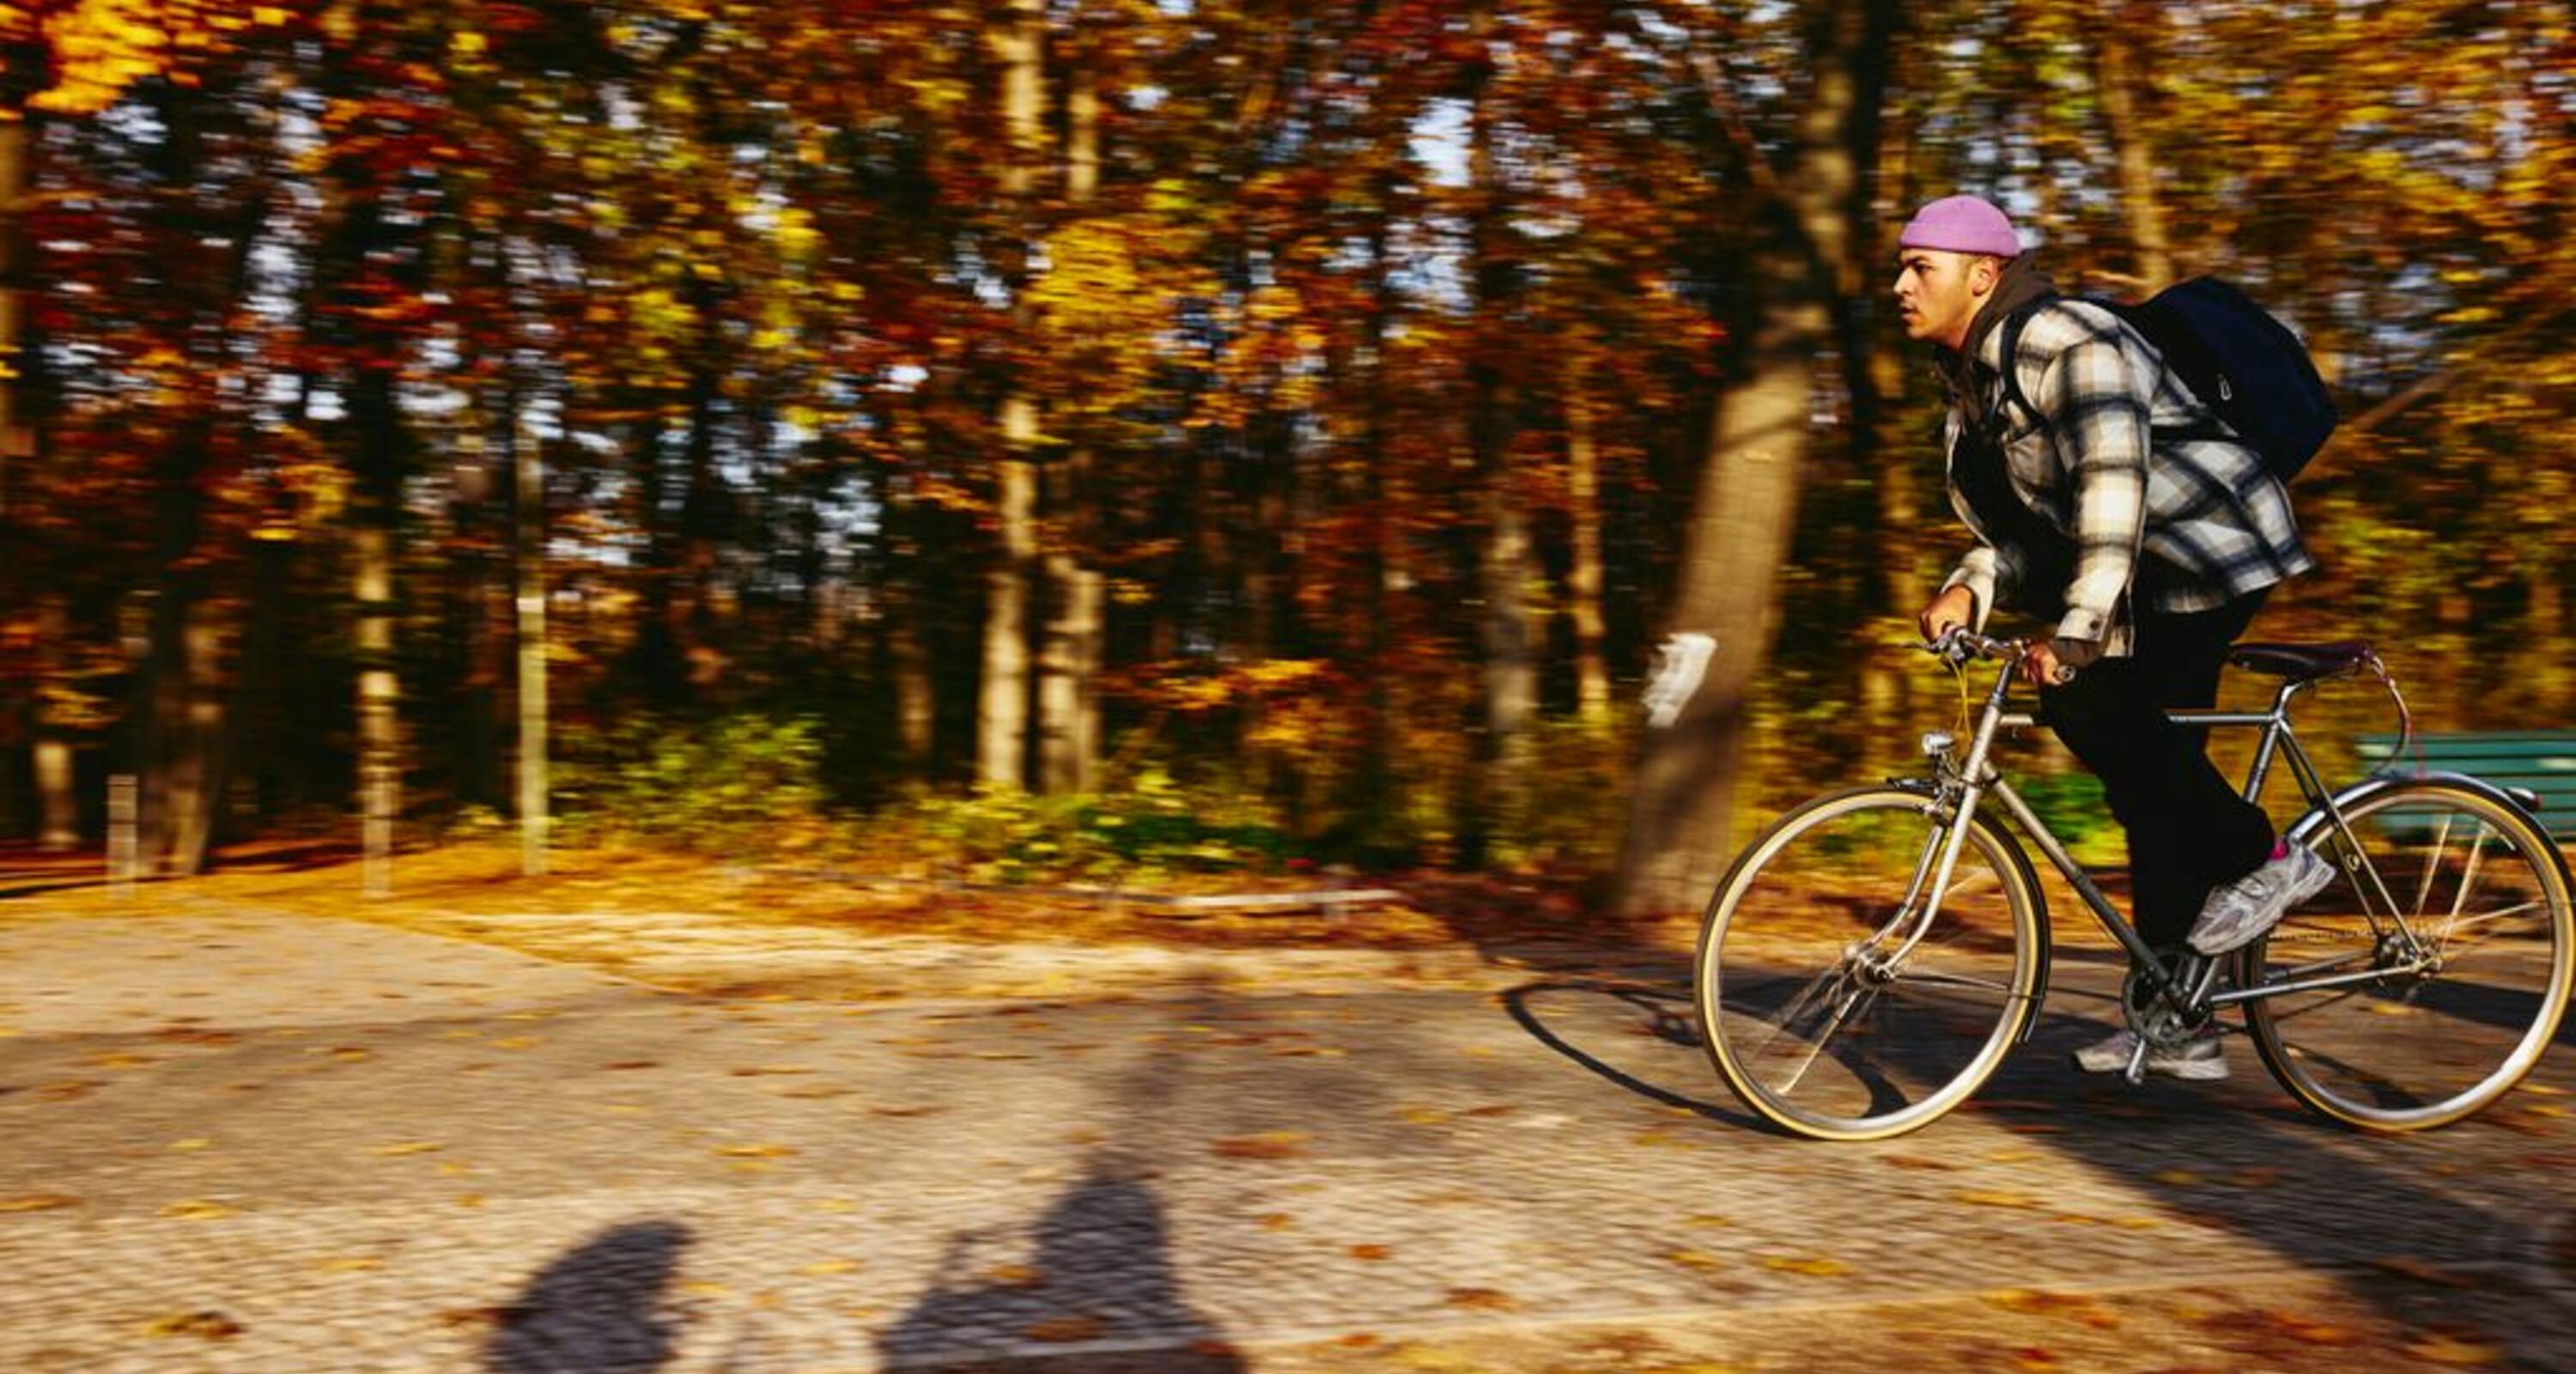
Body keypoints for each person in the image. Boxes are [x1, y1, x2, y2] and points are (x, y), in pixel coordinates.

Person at [1893, 193, 2334, 1081]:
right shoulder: (1974, 383)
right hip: (2145, 570)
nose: (1900, 285)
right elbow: (2031, 531)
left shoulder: (2068, 342)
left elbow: (2113, 490)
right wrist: (1968, 587)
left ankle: (2270, 858)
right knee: (2145, 783)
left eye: (1919, 267)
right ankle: (2180, 1019)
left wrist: (2080, 630)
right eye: (1900, 268)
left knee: (2093, 702)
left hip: (2210, 550)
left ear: (1983, 275)